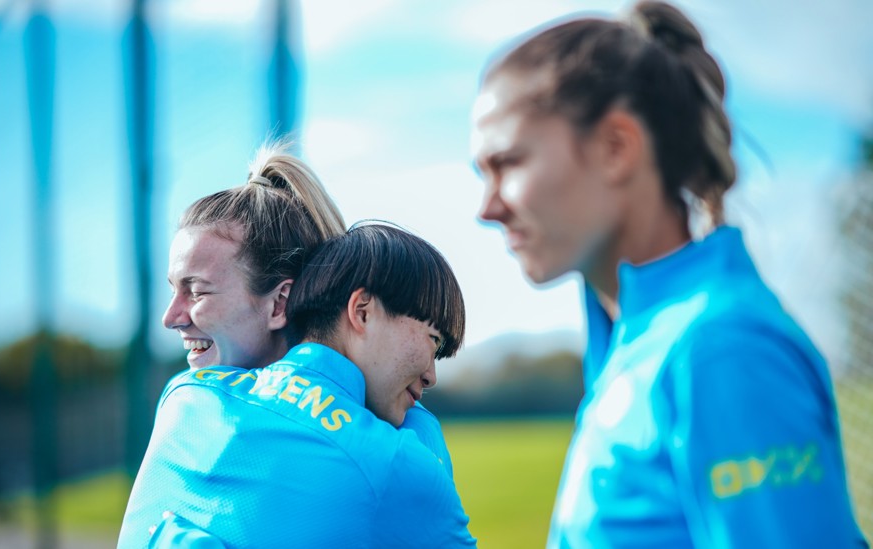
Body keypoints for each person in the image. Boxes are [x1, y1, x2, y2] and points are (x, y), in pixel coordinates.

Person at [470, 1, 868, 547]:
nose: (486, 208)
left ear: (616, 148)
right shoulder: (638, 341)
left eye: (507, 163)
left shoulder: (721, 347)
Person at [119, 223, 476, 548]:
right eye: (433, 340)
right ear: (363, 311)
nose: (431, 375)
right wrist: (426, 442)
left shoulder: (188, 394)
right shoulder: (397, 463)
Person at [155, 142, 452, 471]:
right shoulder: (191, 409)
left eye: (196, 291)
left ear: (280, 303)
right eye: (173, 290)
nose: (170, 318)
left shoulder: (364, 454)